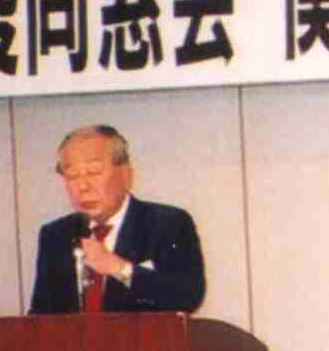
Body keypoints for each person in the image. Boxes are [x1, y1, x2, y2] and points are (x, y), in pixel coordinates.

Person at [28, 124, 205, 313]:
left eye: (94, 172)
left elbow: (188, 298)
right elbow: (40, 316)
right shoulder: (55, 235)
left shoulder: (167, 223)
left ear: (126, 175)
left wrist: (120, 269)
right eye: (72, 176)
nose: (83, 186)